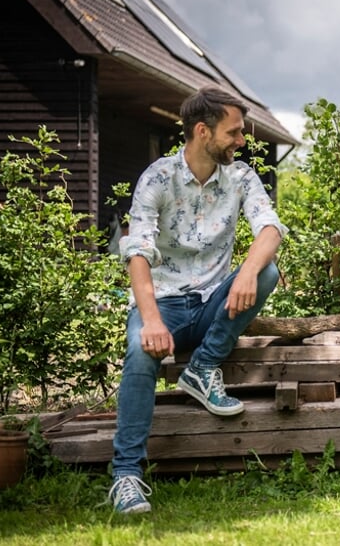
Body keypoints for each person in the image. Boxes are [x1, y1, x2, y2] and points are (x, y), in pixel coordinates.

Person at [108, 85, 287, 514]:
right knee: (138, 352)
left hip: (213, 304)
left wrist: (245, 273)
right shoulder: (158, 178)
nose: (242, 141)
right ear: (203, 132)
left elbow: (271, 230)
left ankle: (202, 369)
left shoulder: (241, 177)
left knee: (267, 271)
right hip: (164, 304)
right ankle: (125, 476)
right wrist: (150, 320)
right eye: (235, 132)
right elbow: (137, 252)